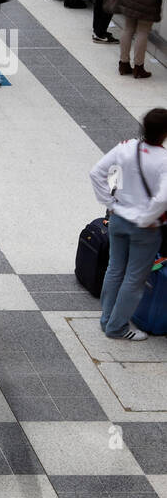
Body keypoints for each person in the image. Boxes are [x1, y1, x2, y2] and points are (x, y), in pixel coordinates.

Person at [89, 109, 167, 341]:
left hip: (118, 218)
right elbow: (162, 199)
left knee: (114, 269)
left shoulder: (125, 147)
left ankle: (107, 319)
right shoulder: (164, 160)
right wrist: (146, 219)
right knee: (134, 278)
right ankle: (117, 327)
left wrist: (110, 203)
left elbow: (96, 173)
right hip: (144, 228)